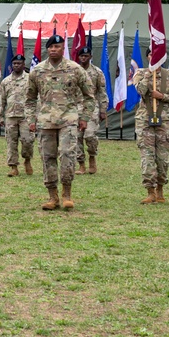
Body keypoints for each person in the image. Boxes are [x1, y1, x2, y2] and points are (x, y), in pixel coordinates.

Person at [25, 35, 95, 211]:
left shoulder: (75, 69)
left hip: (68, 120)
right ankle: (52, 196)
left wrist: (85, 118)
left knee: (66, 155)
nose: (53, 49)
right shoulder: (37, 71)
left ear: (63, 48)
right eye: (50, 47)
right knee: (47, 157)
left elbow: (89, 97)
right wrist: (31, 119)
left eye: (57, 46)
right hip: (45, 122)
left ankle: (67, 194)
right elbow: (30, 99)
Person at [132, 48, 169, 204]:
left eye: (157, 56)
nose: (153, 57)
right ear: (147, 56)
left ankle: (160, 189)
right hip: (145, 120)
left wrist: (163, 96)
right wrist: (149, 73)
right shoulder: (140, 73)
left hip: (166, 120)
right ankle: (150, 191)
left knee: (162, 158)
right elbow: (140, 90)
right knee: (147, 156)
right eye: (150, 55)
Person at [0, 54, 34, 177]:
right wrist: (0, 116)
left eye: (19, 63)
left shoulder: (30, 79)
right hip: (11, 116)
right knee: (11, 142)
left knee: (27, 140)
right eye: (14, 64)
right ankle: (13, 167)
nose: (16, 65)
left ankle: (27, 161)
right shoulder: (6, 81)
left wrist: (35, 115)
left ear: (23, 65)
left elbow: (36, 98)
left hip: (26, 116)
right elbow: (1, 99)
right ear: (12, 65)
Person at [76, 46, 108, 175]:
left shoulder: (97, 72)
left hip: (92, 107)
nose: (84, 58)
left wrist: (103, 109)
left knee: (90, 135)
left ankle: (92, 158)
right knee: (77, 137)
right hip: (76, 107)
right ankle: (81, 164)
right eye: (82, 56)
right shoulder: (74, 70)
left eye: (86, 56)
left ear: (90, 57)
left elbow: (101, 91)